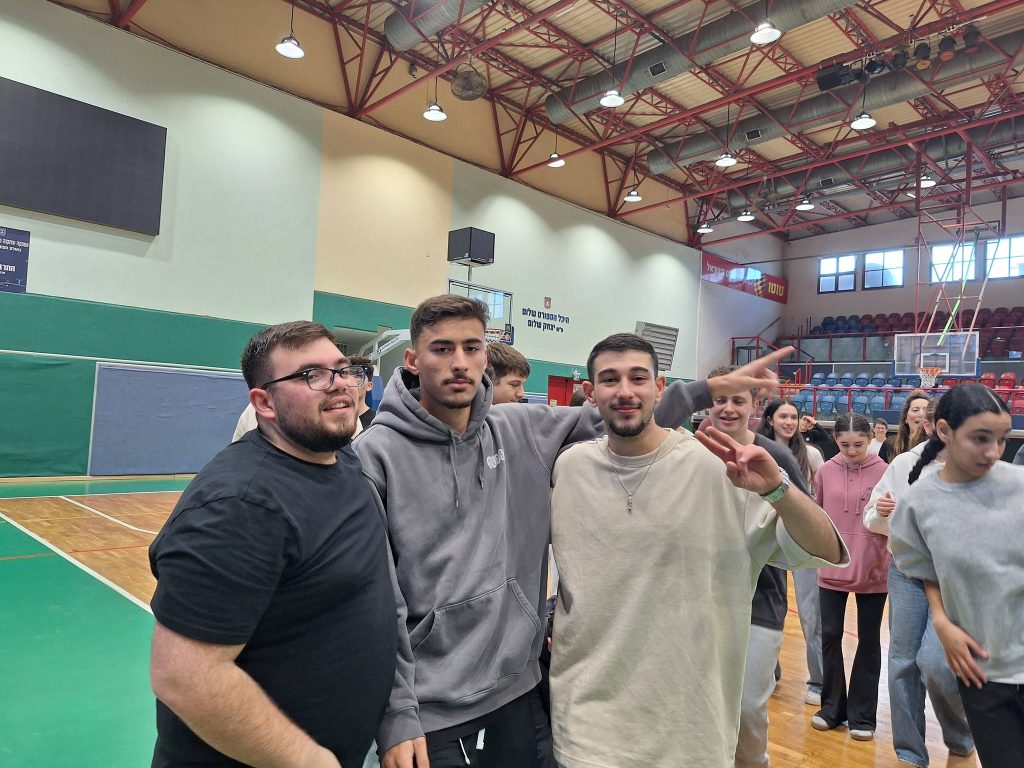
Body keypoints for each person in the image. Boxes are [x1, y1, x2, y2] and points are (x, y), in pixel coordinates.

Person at [353, 295, 792, 768]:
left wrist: (707, 390)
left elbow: (623, 416)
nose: (459, 362)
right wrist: (397, 714)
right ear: (413, 360)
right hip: (431, 708)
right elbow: (377, 603)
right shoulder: (374, 455)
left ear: (484, 357)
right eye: (442, 349)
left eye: (471, 347)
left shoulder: (521, 429)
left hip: (520, 691)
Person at [548, 334, 846, 768]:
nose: (625, 391)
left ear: (660, 387)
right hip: (585, 724)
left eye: (638, 378)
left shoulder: (719, 467)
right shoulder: (568, 467)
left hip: (689, 725)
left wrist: (778, 489)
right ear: (590, 393)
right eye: (610, 379)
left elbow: (823, 549)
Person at [148, 321, 398, 768]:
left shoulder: (341, 460)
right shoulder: (238, 505)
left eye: (344, 369)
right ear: (264, 403)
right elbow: (185, 678)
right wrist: (309, 759)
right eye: (311, 375)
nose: (339, 384)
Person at [891, 383, 1022, 768]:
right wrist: (941, 619)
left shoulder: (1019, 487)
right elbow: (925, 568)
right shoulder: (918, 503)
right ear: (944, 431)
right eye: (980, 439)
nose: (994, 451)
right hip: (984, 669)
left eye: (1002, 439)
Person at [705, 371, 818, 768]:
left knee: (748, 707)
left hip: (761, 600)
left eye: (738, 400)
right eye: (720, 399)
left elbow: (807, 521)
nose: (728, 408)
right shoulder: (687, 450)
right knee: (704, 704)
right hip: (699, 597)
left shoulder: (776, 455)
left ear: (754, 405)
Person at [863, 398, 975, 767]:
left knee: (938, 664)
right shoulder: (903, 464)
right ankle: (910, 752)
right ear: (930, 427)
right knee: (903, 662)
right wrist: (881, 514)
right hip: (907, 575)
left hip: (955, 581)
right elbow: (871, 517)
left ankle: (961, 738)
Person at [811, 413, 889, 741]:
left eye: (858, 444)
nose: (852, 450)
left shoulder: (886, 472)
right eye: (845, 445)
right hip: (832, 568)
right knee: (829, 636)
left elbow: (891, 522)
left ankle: (863, 715)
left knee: (869, 641)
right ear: (836, 440)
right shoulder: (825, 471)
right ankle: (832, 708)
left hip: (873, 570)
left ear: (870, 438)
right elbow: (816, 517)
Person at [757, 398, 823, 706]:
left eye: (793, 417)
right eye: (783, 416)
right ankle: (768, 668)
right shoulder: (757, 450)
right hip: (766, 536)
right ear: (770, 419)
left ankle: (818, 680)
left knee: (811, 613)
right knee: (771, 606)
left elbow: (819, 497)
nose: (789, 422)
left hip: (801, 538)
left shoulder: (811, 454)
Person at [879, 390, 930, 463]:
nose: (921, 414)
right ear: (905, 418)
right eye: (915, 410)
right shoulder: (889, 445)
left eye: (926, 410)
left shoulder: (939, 447)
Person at [349, 354, 379, 429]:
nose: (350, 380)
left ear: (369, 386)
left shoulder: (377, 423)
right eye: (346, 375)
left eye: (357, 376)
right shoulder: (333, 420)